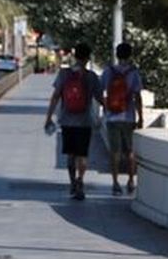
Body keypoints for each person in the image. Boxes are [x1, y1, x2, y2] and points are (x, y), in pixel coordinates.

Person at [43, 43, 101, 200]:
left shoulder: (64, 74)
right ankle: (81, 180)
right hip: (85, 121)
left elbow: (56, 96)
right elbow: (100, 98)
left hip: (67, 120)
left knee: (70, 155)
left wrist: (48, 117)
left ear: (75, 56)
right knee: (82, 154)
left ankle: (72, 183)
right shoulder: (92, 77)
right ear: (88, 58)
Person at [98, 41, 145, 196]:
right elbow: (137, 96)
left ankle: (115, 183)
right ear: (130, 55)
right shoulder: (133, 73)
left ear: (117, 55)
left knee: (115, 152)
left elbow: (101, 92)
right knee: (130, 151)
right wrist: (140, 117)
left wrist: (105, 108)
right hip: (129, 117)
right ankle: (131, 181)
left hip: (112, 118)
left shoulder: (108, 71)